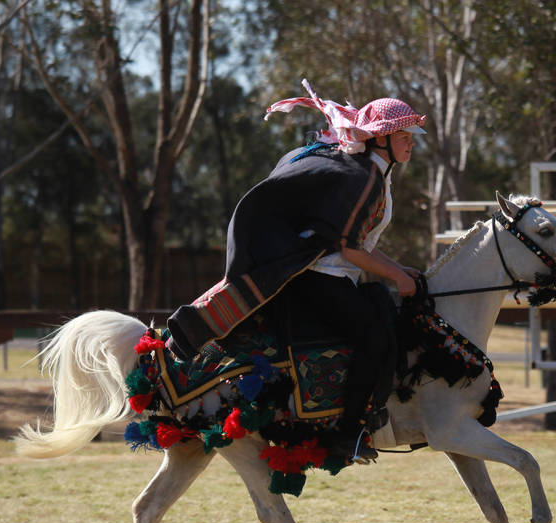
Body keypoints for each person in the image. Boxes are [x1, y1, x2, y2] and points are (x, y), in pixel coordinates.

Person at [167, 79, 425, 463]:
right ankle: (348, 433)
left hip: (337, 275)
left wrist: (398, 268)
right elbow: (347, 249)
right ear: (381, 139)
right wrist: (398, 277)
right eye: (404, 135)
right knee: (375, 339)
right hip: (320, 279)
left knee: (382, 317)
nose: (411, 143)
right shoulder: (366, 178)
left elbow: (358, 243)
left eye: (411, 136)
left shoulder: (376, 175)